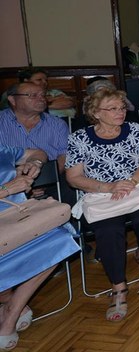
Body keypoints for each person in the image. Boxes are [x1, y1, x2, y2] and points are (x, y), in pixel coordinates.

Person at [65, 87, 139, 322]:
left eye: (122, 107)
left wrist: (131, 181)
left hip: (136, 187)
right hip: (101, 194)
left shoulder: (136, 130)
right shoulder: (79, 138)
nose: (120, 112)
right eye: (112, 109)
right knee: (109, 231)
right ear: (96, 113)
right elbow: (73, 177)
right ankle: (118, 287)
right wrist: (108, 187)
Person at [0, 145, 79, 350]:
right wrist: (7, 189)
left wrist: (34, 163)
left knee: (59, 238)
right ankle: (12, 302)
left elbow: (38, 152)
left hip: (19, 219)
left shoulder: (2, 149)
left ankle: (11, 313)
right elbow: (10, 187)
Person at [0, 82, 73, 203]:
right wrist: (16, 183)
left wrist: (43, 181)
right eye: (32, 95)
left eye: (43, 95)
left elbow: (64, 156)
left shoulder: (57, 124)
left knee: (69, 186)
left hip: (50, 176)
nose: (41, 98)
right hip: (6, 179)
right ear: (13, 99)